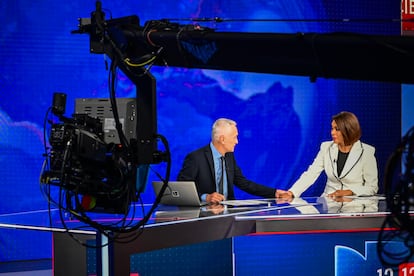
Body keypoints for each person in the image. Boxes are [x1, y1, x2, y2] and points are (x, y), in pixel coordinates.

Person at [276, 111, 378, 199]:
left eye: (337, 129)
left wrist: (349, 192)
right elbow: (311, 173)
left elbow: (372, 187)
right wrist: (292, 192)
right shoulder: (326, 148)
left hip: (355, 207)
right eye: (332, 128)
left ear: (348, 129)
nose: (332, 132)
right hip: (329, 204)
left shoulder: (366, 152)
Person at [177, 118, 278, 204]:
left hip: (228, 213)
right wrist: (205, 197)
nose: (236, 141)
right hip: (203, 216)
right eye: (234, 137)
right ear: (222, 139)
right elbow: (181, 189)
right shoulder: (196, 158)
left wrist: (274, 193)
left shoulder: (229, 157)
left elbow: (244, 183)